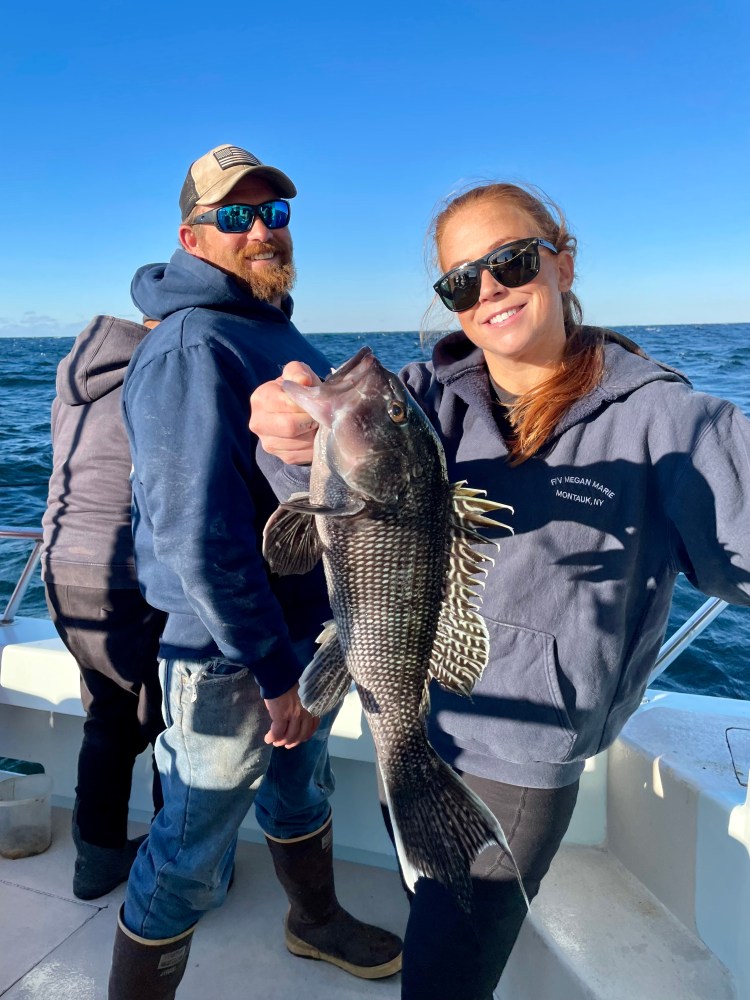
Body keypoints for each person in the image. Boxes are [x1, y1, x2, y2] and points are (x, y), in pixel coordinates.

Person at [248, 181, 750, 999]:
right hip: (403, 716)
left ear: (562, 260)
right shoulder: (418, 399)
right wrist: (289, 434)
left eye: (510, 262)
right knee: (427, 911)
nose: (486, 291)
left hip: (519, 761)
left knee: (443, 979)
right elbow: (330, 511)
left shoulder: (667, 421)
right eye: (458, 281)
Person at [107, 144, 402, 1000]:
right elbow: (198, 533)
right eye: (237, 216)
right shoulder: (192, 345)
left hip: (305, 639)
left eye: (275, 212)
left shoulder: (272, 327)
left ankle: (312, 922)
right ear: (192, 238)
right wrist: (275, 673)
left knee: (299, 792)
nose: (263, 229)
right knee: (191, 850)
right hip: (230, 655)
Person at [42, 315, 167, 900]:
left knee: (108, 716)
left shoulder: (74, 377)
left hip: (61, 564)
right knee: (173, 723)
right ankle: (176, 871)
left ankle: (95, 860)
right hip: (124, 571)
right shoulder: (165, 369)